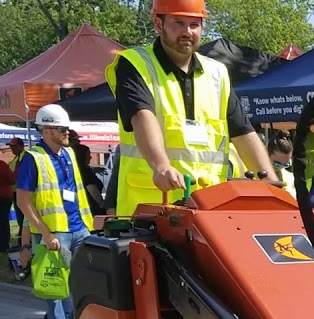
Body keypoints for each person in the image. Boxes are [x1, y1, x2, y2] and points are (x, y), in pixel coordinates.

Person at [104, 0, 271, 216]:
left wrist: (268, 180)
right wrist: (161, 167)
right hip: (151, 208)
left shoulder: (217, 73)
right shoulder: (135, 63)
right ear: (158, 24)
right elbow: (142, 117)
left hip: (209, 208)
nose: (187, 32)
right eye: (178, 23)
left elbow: (242, 131)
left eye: (194, 24)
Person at [15, 104, 94, 319]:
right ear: (47, 130)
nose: (67, 132)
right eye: (62, 129)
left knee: (80, 284)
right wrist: (45, 235)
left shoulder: (69, 153)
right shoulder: (32, 158)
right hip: (55, 233)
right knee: (56, 288)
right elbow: (24, 202)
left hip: (79, 227)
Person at [268, 132, 296, 196]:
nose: (280, 167)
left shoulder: (291, 178)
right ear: (267, 154)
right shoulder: (254, 177)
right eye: (277, 164)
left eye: (286, 164)